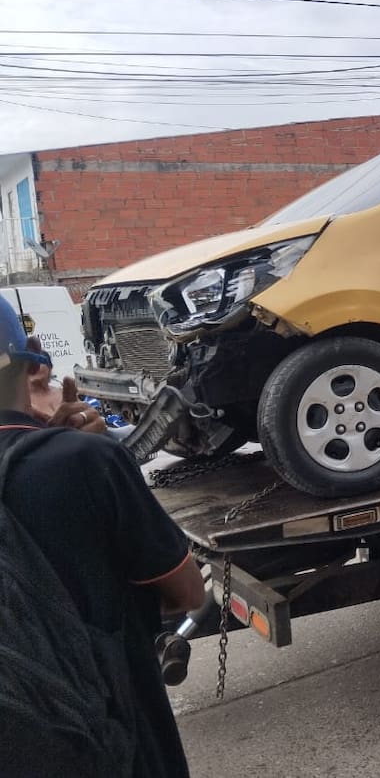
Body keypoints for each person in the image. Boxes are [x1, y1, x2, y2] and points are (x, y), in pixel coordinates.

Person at [0, 304, 203, 776]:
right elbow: (188, 593)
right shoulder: (85, 461)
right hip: (112, 742)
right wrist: (91, 451)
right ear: (35, 360)